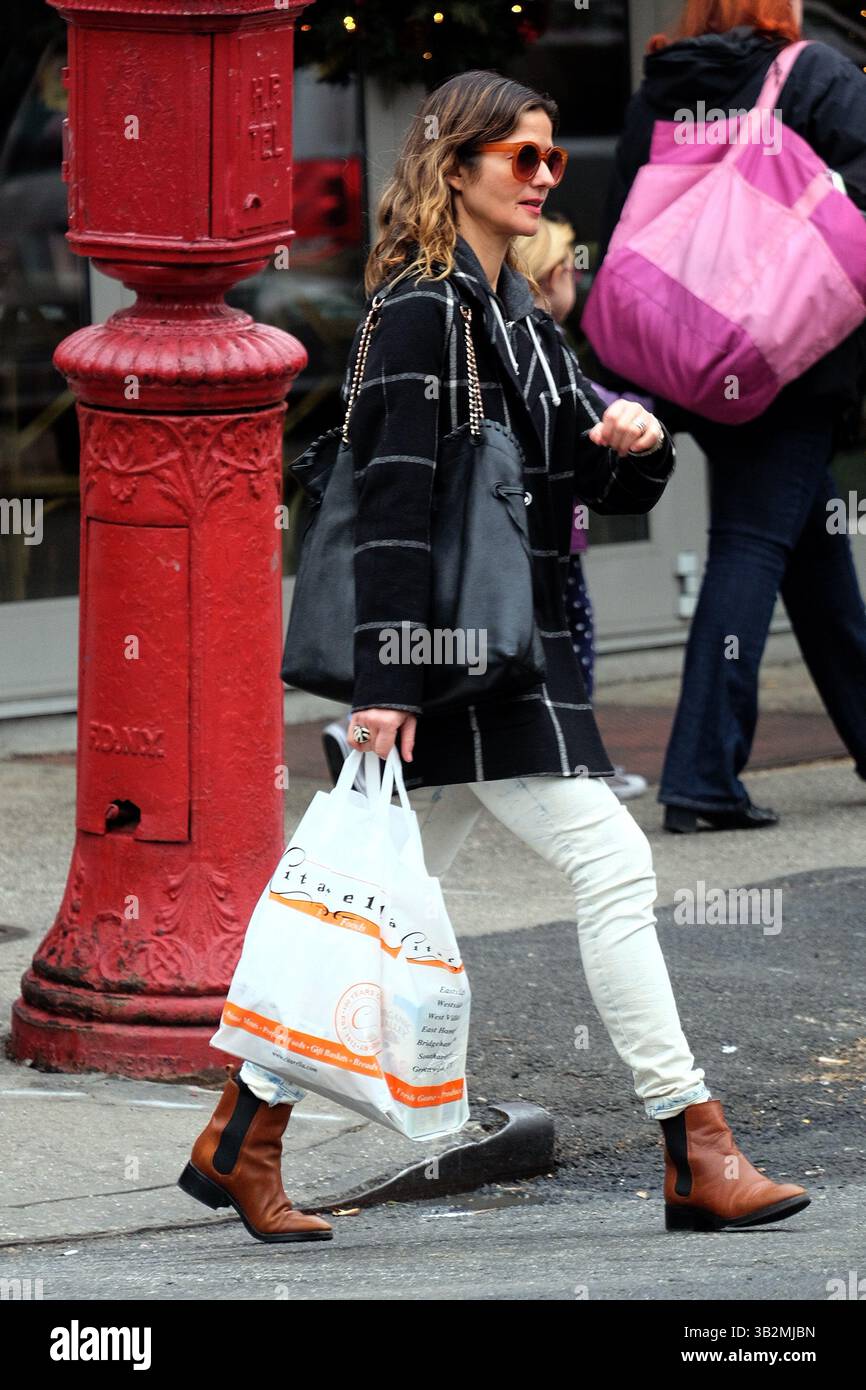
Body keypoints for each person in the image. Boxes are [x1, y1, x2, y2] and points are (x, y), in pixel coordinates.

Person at [180, 69, 809, 1242]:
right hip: (458, 665)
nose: (539, 177)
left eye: (549, 158)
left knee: (363, 904)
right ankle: (692, 1142)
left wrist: (633, 442)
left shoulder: (510, 308)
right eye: (516, 157)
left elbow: (580, 482)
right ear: (454, 165)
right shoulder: (420, 306)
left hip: (508, 655)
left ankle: (239, 1136)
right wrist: (382, 686)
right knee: (612, 871)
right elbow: (393, 499)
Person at [590, 0, 866, 833]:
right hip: (784, 363)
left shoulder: (661, 87)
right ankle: (703, 777)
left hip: (685, 354)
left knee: (813, 556)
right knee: (749, 548)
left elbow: (625, 223)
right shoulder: (812, 73)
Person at [515, 212, 650, 800]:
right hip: (552, 531)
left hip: (523, 527)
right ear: (552, 276)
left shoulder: (512, 334)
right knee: (573, 635)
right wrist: (641, 408)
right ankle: (581, 760)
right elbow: (589, 410)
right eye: (571, 270)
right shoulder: (545, 341)